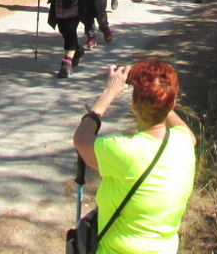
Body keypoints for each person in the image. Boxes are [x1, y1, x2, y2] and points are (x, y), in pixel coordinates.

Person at [73, 59, 197, 254]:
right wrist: (162, 97)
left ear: (134, 106)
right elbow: (186, 132)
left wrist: (110, 92)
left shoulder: (126, 152)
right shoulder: (184, 143)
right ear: (172, 102)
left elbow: (81, 139)